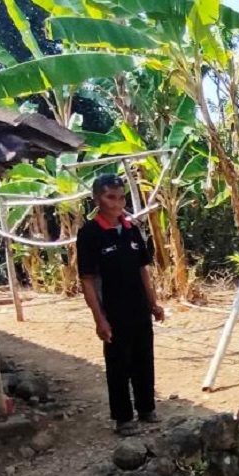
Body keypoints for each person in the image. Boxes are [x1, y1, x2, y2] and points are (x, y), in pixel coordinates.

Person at [76, 174, 165, 435]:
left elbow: (143, 271)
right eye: (109, 197)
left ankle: (147, 408)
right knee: (118, 363)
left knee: (143, 358)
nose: (116, 204)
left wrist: (153, 304)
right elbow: (87, 280)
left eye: (120, 197)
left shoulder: (132, 229)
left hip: (138, 307)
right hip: (113, 310)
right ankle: (124, 418)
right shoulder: (90, 234)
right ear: (97, 198)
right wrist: (99, 318)